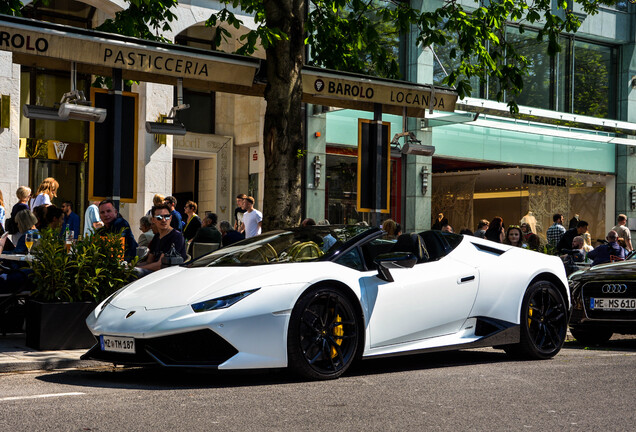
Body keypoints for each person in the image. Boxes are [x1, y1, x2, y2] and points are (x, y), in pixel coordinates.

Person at [136, 204, 187, 276]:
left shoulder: (176, 236)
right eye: (159, 217)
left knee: (134, 274)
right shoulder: (156, 237)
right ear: (153, 220)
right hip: (156, 273)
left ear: (171, 218)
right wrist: (130, 267)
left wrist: (136, 269)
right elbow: (149, 261)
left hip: (169, 275)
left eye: (167, 216)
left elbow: (160, 265)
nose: (163, 220)